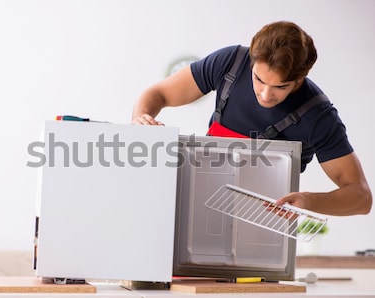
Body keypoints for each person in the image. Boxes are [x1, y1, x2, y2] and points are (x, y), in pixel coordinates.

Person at [132, 21, 372, 217]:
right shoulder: (230, 63)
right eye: (259, 79)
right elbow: (159, 94)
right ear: (251, 62)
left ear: (300, 79)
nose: (266, 94)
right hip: (200, 208)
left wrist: (309, 200)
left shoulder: (318, 116)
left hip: (262, 227)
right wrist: (141, 118)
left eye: (280, 86)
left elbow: (361, 197)